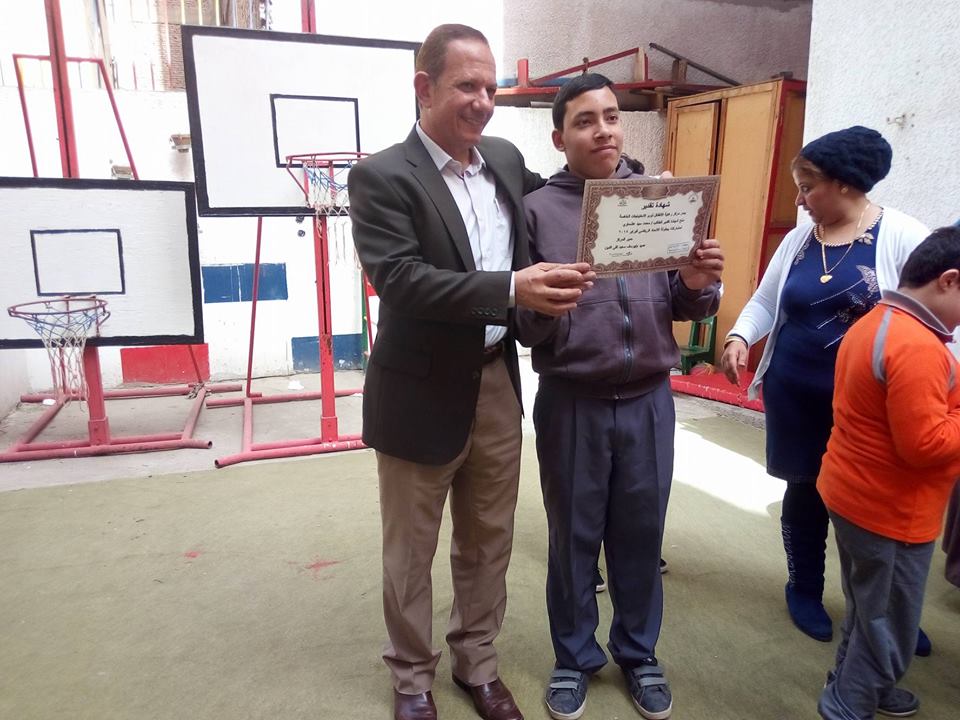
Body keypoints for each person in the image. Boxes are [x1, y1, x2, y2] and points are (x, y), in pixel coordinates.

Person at [347, 24, 595, 720]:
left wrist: (640, 193)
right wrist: (512, 288)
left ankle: (476, 665)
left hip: (496, 382)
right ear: (424, 87)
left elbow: (562, 201)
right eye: (467, 86)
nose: (483, 101)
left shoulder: (506, 160)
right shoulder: (382, 176)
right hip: (417, 391)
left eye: (491, 87)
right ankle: (411, 678)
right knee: (411, 551)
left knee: (489, 539)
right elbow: (400, 280)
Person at [515, 73, 723, 720]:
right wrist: (549, 306)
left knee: (640, 535)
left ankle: (639, 654)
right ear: (559, 137)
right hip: (571, 398)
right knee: (573, 539)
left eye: (611, 116)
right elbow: (523, 325)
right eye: (585, 120)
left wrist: (698, 282)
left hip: (649, 400)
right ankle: (574, 657)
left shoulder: (660, 199)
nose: (603, 130)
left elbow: (685, 303)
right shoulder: (536, 211)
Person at [720, 126, 930, 646]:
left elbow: (937, 319)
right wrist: (740, 336)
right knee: (805, 491)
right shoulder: (799, 240)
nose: (799, 200)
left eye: (807, 187)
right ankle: (804, 589)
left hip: (869, 408)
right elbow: (766, 300)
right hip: (796, 395)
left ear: (844, 183)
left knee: (873, 507)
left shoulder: (904, 237)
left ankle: (886, 612)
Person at [816, 226, 960, 719]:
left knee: (867, 608)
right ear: (948, 280)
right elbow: (925, 446)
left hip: (854, 494)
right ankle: (848, 703)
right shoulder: (919, 347)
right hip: (892, 512)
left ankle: (858, 685)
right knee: (889, 625)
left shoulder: (877, 320)